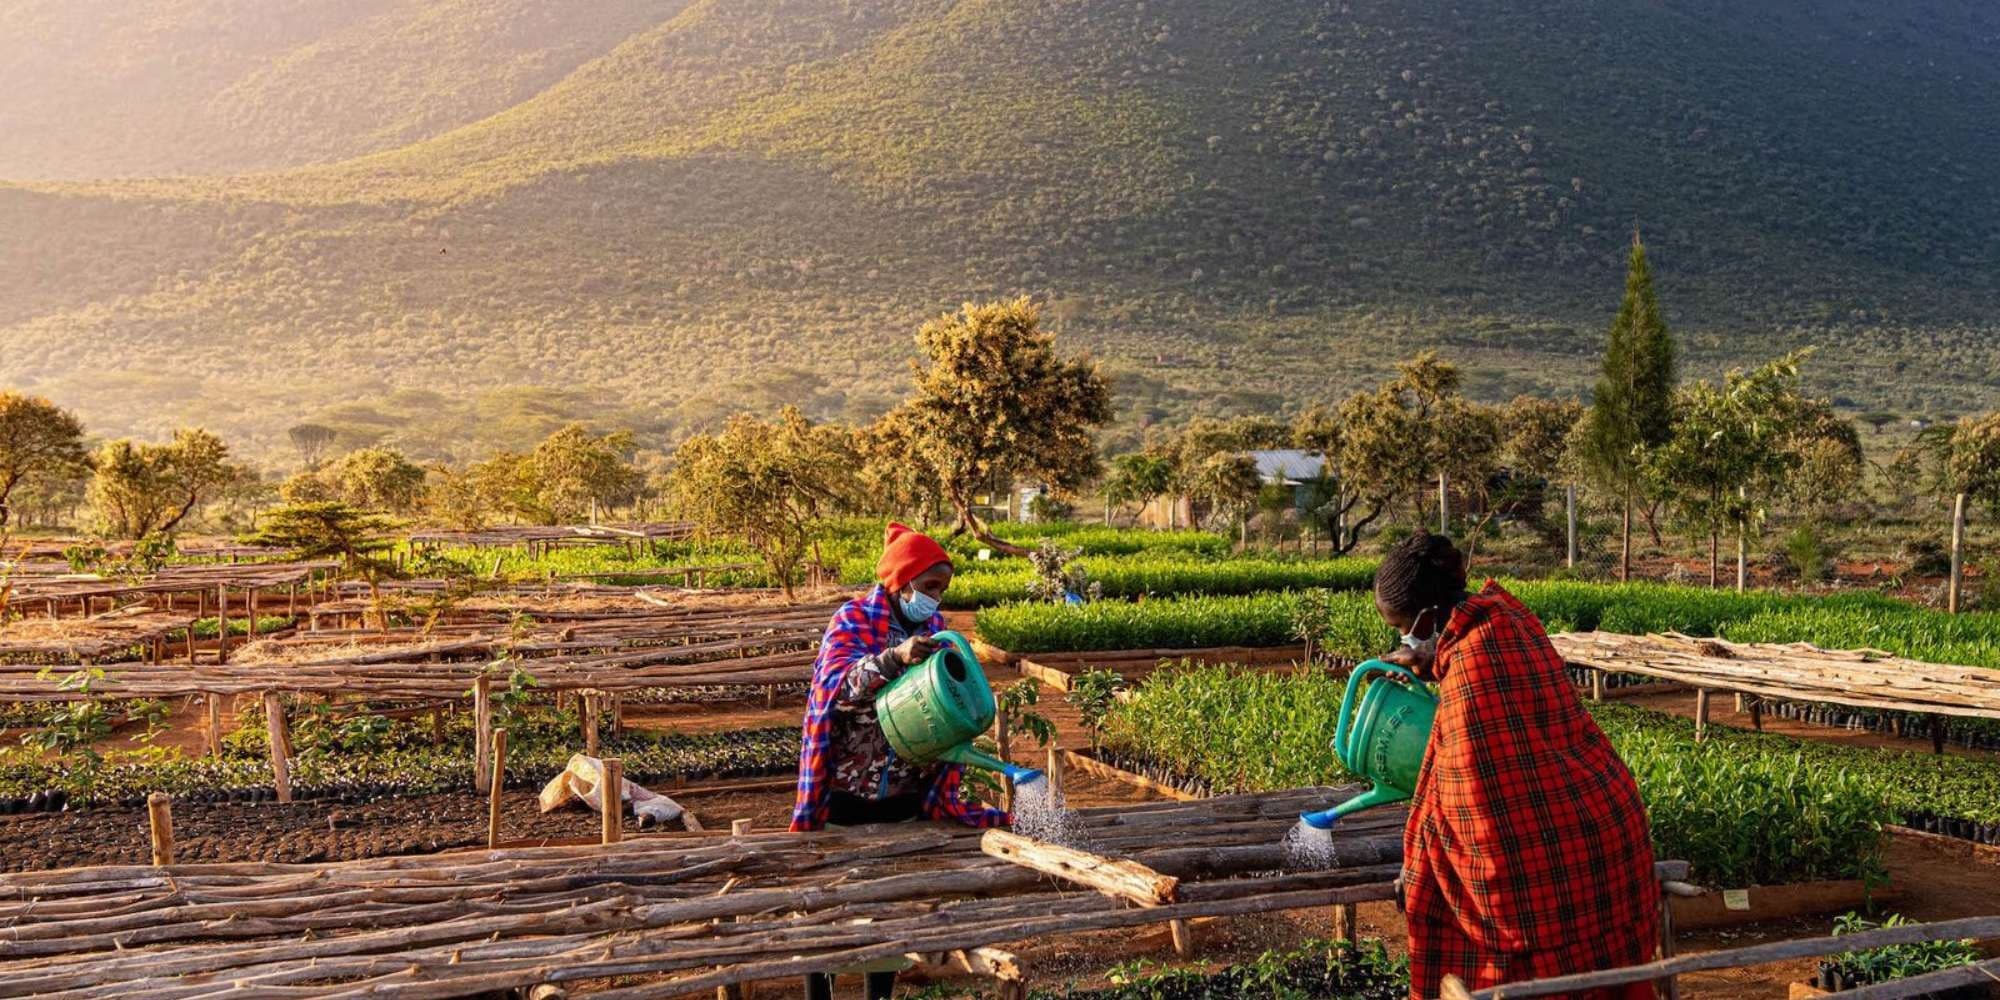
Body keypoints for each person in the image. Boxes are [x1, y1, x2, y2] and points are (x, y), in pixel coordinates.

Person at [1375, 532, 1660, 1000]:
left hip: (1556, 862)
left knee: (1452, 900)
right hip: (1608, 823)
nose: (1404, 638)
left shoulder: (1471, 669)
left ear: (1427, 615)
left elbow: (1474, 812)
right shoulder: (1504, 619)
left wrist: (1418, 864)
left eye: (1405, 627)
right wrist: (1428, 661)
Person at [789, 522, 1010, 1000]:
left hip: (903, 795)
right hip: (846, 798)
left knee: (889, 911)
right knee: (829, 913)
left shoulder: (933, 629)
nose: (935, 597)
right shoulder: (852, 620)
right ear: (902, 581)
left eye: (942, 589)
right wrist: (893, 659)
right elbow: (837, 689)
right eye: (930, 586)